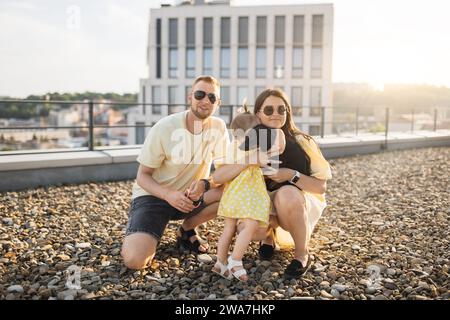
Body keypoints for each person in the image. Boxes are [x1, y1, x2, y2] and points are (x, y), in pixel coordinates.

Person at [188, 88, 332, 280]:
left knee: (286, 194)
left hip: (295, 202)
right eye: (269, 110)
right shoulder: (244, 141)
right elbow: (220, 175)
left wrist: (290, 175)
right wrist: (248, 160)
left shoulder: (302, 142)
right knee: (247, 228)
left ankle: (302, 254)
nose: (276, 114)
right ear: (258, 114)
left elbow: (320, 187)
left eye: (282, 110)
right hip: (260, 202)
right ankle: (267, 237)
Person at [121, 75, 230, 270]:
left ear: (218, 103)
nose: (206, 101)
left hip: (191, 197)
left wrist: (206, 184)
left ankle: (187, 229)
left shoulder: (219, 127)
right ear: (190, 97)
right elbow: (142, 175)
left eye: (212, 98)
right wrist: (168, 194)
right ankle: (147, 230)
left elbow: (224, 172)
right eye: (200, 94)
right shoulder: (165, 127)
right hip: (154, 197)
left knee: (231, 191)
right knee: (135, 261)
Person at [205, 107, 285, 282]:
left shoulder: (232, 148)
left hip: (231, 195)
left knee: (228, 229)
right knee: (249, 226)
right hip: (246, 195)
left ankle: (220, 262)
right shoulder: (253, 150)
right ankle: (236, 260)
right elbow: (277, 148)